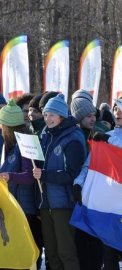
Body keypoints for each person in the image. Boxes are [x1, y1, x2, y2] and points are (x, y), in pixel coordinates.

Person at [74, 98, 122, 270]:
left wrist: (109, 141)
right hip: (107, 204)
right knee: (108, 256)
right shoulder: (107, 135)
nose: (118, 112)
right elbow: (89, 164)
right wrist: (78, 183)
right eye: (115, 108)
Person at [32, 93, 86, 270]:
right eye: (46, 114)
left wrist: (45, 174)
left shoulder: (73, 138)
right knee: (52, 254)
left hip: (64, 203)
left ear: (62, 115)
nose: (48, 119)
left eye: (52, 115)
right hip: (46, 202)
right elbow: (41, 162)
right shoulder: (46, 134)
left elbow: (73, 173)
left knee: (66, 253)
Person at [0, 100, 42, 269]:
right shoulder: (6, 144)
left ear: (9, 127)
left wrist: (9, 175)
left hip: (25, 207)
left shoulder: (26, 142)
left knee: (24, 250)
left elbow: (30, 176)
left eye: (3, 125)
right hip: (11, 206)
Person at [70, 89, 103, 270]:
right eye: (88, 115)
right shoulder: (75, 136)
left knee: (94, 246)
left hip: (95, 195)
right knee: (81, 245)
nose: (93, 119)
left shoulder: (98, 134)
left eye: (94, 115)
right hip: (78, 195)